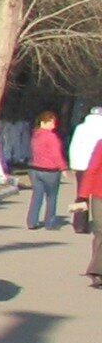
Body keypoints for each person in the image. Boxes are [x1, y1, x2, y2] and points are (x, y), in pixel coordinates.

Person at [73, 107, 102, 285]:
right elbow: (92, 170)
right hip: (100, 194)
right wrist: (83, 195)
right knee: (101, 231)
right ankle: (97, 270)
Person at [28, 109, 69, 229]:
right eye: (50, 122)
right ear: (43, 122)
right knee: (51, 197)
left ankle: (32, 221)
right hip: (50, 170)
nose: (53, 125)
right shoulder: (51, 137)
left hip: (35, 169)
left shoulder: (35, 135)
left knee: (37, 195)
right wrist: (64, 168)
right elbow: (56, 154)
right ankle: (50, 222)